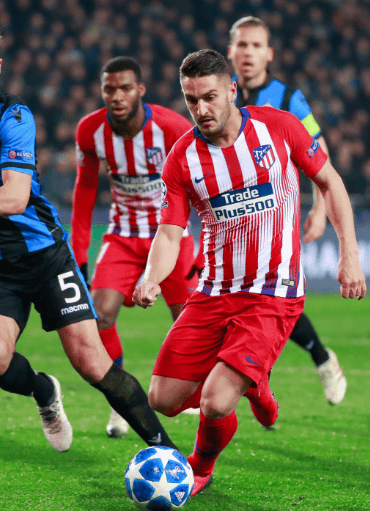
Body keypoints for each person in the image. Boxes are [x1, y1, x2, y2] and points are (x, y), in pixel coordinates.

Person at [0, 20, 179, 452]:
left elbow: (15, 198)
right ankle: (44, 391)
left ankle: (169, 453)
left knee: (92, 363)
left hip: (44, 255)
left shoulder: (13, 117)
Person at [133, 49, 365, 496]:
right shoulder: (182, 158)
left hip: (273, 295)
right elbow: (169, 234)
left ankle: (200, 468)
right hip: (213, 293)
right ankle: (254, 384)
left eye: (209, 97)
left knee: (216, 400)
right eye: (191, 99)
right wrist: (151, 278)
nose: (200, 109)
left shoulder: (278, 127)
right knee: (162, 400)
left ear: (232, 91)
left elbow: (330, 181)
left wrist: (349, 255)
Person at [224, 16, 348, 405]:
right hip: (232, 217)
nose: (248, 52)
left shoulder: (288, 98)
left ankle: (315, 361)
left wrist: (320, 208)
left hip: (276, 216)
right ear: (231, 51)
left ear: (269, 54)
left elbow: (318, 150)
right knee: (233, 301)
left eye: (256, 45)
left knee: (270, 298)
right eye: (242, 45)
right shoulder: (221, 95)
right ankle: (305, 364)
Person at [72, 56, 197, 438]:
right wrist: (79, 254)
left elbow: (202, 182)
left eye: (125, 88)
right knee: (99, 316)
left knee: (188, 321)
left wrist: (208, 240)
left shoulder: (173, 127)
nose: (116, 96)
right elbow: (85, 190)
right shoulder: (90, 130)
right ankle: (121, 399)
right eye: (109, 89)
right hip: (122, 237)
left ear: (140, 90)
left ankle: (194, 392)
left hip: (171, 236)